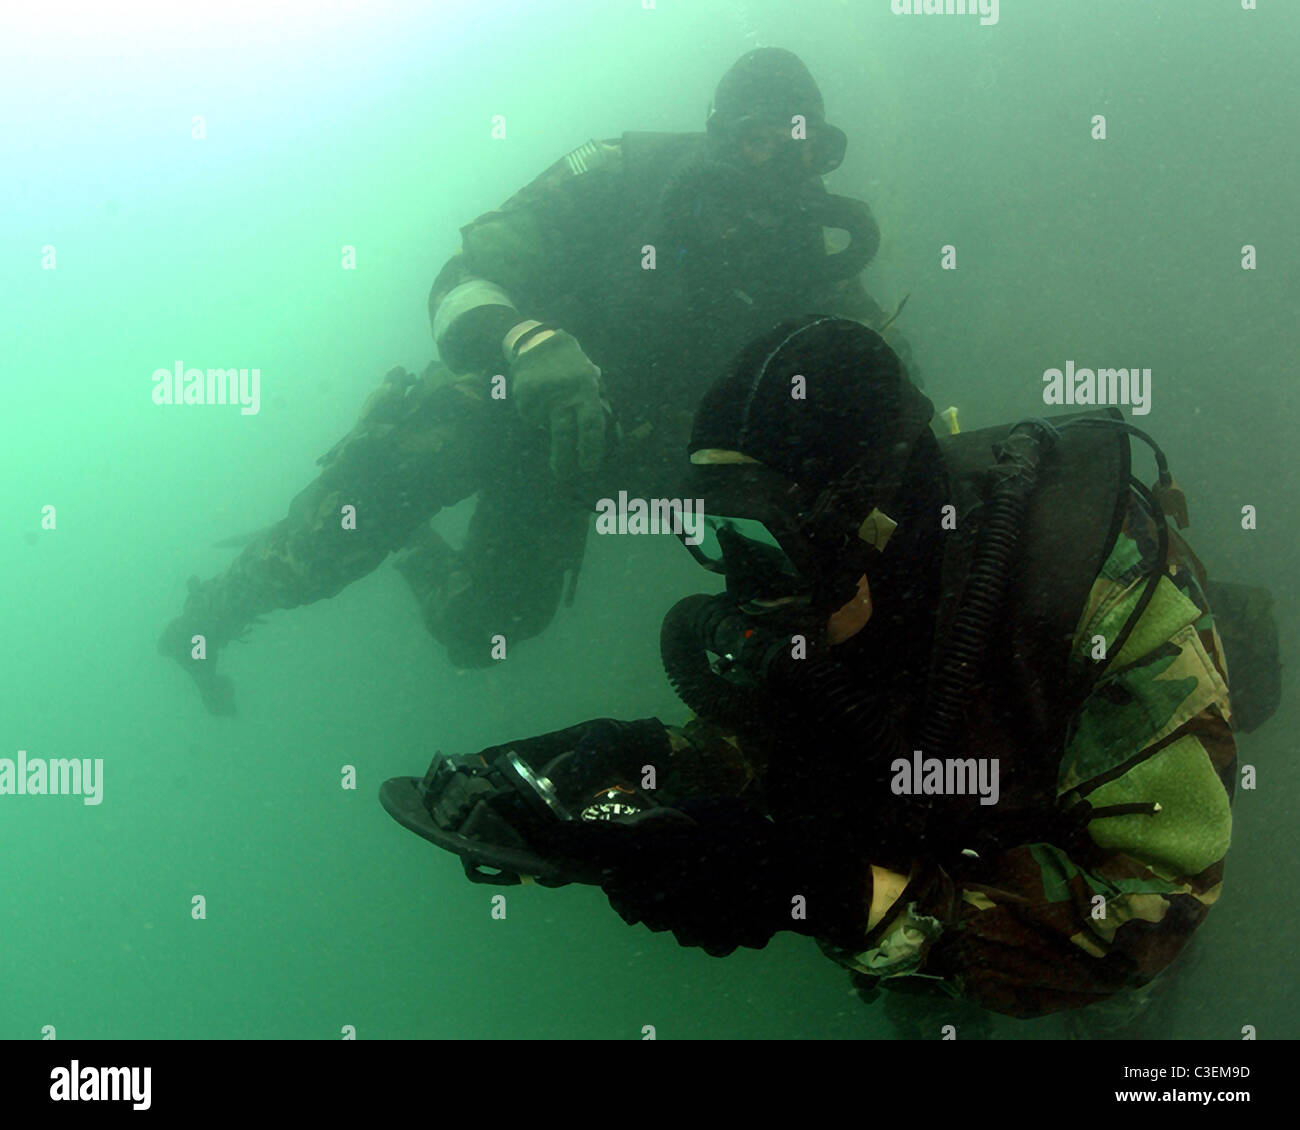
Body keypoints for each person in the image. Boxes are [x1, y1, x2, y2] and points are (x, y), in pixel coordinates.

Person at [386, 315, 1255, 1031]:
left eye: (764, 537)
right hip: (931, 857)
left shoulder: (1108, 596)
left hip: (1094, 877)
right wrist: (659, 766)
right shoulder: (832, 596)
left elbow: (1147, 911)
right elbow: (792, 736)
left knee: (1115, 1020)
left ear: (874, 523)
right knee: (922, 1012)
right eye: (713, 533)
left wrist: (824, 891)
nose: (738, 584)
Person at [158, 49, 916, 714]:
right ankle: (214, 615)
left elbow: (883, 391)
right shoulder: (621, 174)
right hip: (500, 400)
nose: (780, 169)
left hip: (594, 461)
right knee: (334, 537)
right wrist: (526, 341)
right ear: (722, 136)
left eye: (803, 148)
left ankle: (416, 552)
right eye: (760, 140)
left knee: (480, 637)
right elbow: (464, 278)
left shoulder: (810, 269)